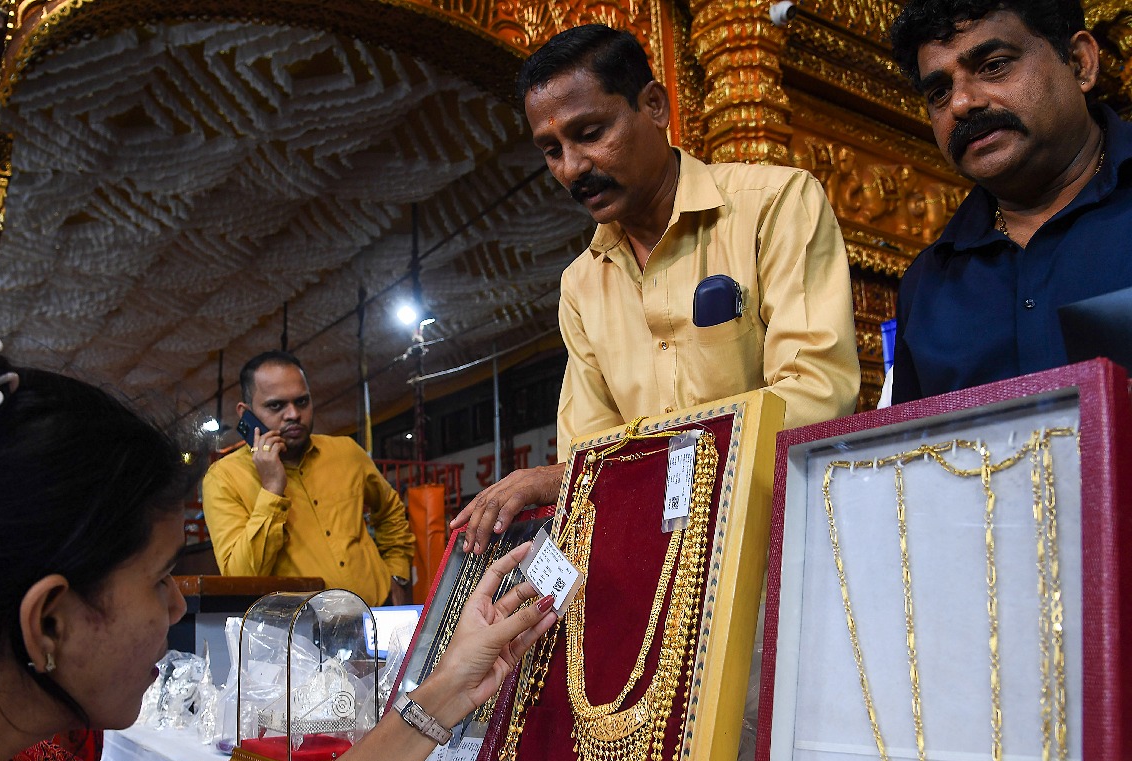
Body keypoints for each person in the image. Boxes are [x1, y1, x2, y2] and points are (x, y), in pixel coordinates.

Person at [0, 331, 556, 761]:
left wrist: (448, 685)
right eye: (159, 578)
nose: (179, 607)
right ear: (49, 622)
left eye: (302, 399)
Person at [453, 23, 860, 552]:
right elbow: (586, 448)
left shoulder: (774, 206)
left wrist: (600, 472)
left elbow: (815, 397)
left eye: (590, 132)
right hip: (657, 566)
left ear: (654, 106)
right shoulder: (581, 284)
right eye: (550, 149)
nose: (572, 167)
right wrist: (587, 476)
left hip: (783, 546)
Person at [889, 0, 1132, 402]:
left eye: (993, 65)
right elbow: (916, 457)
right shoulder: (929, 283)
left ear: (1079, 63)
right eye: (939, 91)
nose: (963, 103)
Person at [202, 351, 415, 606]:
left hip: (379, 616)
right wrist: (271, 490)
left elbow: (391, 510)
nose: (293, 414)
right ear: (246, 413)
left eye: (302, 402)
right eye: (276, 405)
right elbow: (242, 578)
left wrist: (398, 575)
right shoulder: (224, 478)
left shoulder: (346, 453)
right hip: (301, 638)